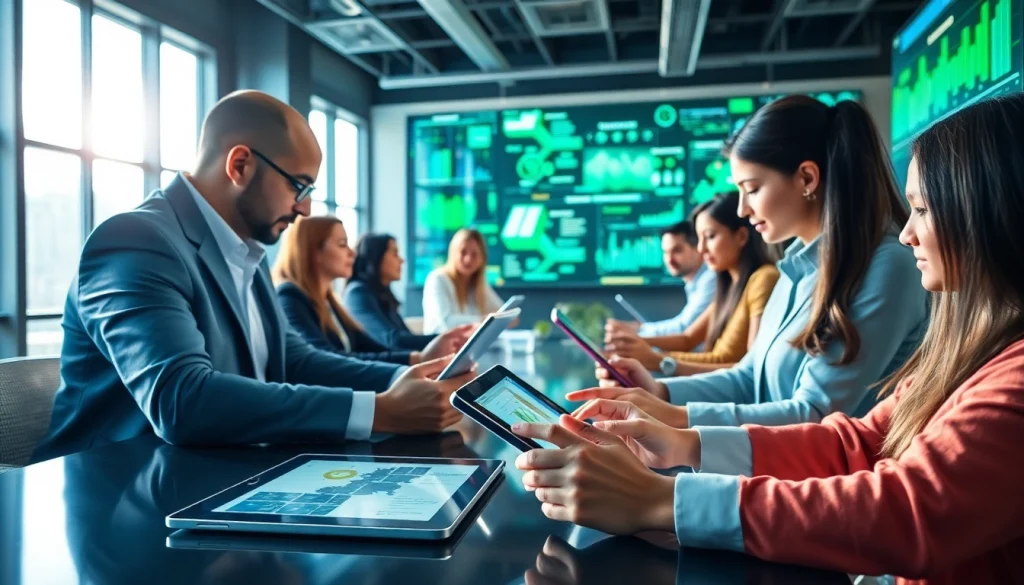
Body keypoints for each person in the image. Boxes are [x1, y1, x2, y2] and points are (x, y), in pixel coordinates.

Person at [511, 93, 1024, 585]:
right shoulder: (966, 347)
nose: (908, 232)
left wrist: (662, 499)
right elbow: (858, 441)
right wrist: (681, 437)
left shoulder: (916, 292)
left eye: (924, 210)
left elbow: (903, 508)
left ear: (985, 211)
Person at [32, 91, 467, 463]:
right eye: (299, 186)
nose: (305, 209)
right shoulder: (134, 241)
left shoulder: (244, 251)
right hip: (117, 498)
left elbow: (294, 361)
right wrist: (379, 411)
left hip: (215, 479)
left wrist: (410, 378)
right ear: (240, 165)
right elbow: (183, 400)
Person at [577, 95, 928, 430]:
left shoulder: (887, 268)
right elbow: (749, 377)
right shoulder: (796, 269)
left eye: (752, 189)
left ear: (807, 178)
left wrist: (674, 418)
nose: (743, 209)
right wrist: (659, 392)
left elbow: (813, 414)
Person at [605, 192, 779, 376]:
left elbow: (752, 371)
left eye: (710, 237)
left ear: (741, 236)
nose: (701, 249)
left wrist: (658, 360)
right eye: (699, 239)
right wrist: (634, 345)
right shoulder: (730, 287)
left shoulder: (763, 279)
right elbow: (687, 339)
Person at [272, 215, 471, 365]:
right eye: (342, 245)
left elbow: (370, 348)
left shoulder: (329, 303)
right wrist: (418, 358)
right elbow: (325, 361)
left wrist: (423, 356)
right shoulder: (291, 297)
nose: (352, 253)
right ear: (313, 252)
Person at [606, 220, 716, 340]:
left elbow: (685, 328)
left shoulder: (711, 279)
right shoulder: (694, 284)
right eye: (665, 252)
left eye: (677, 251)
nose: (669, 260)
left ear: (698, 248)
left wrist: (639, 330)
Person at [344, 233, 438, 351]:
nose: (402, 260)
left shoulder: (383, 295)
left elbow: (406, 336)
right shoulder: (357, 293)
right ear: (376, 257)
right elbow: (393, 340)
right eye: (395, 254)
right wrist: (444, 338)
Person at [422, 228, 506, 334]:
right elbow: (447, 322)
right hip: (440, 343)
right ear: (453, 253)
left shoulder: (477, 284)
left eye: (474, 254)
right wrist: (484, 320)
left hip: (468, 343)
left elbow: (501, 312)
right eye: (463, 252)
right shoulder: (437, 279)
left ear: (482, 258)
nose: (468, 259)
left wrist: (504, 317)